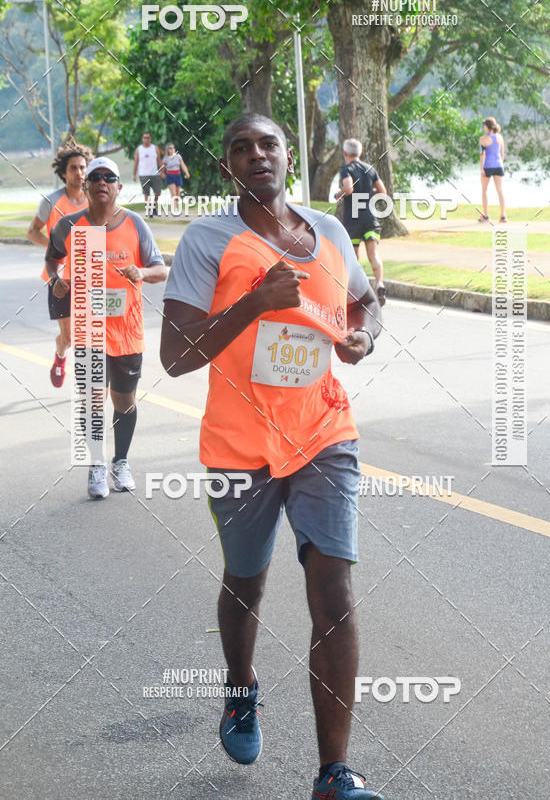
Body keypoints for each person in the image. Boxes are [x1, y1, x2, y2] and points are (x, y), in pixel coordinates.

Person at [161, 113, 385, 800]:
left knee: (336, 598)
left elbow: (366, 301)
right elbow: (175, 356)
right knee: (246, 582)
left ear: (290, 156)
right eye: (240, 147)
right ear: (227, 165)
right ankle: (240, 687)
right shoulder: (209, 240)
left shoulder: (331, 231)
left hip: (323, 434)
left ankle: (333, 773)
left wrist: (362, 336)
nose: (256, 154)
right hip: (239, 447)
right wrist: (256, 302)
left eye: (268, 144)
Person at [45, 156, 167, 499]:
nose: (101, 181)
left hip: (127, 332)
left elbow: (161, 269)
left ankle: (121, 461)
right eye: (94, 176)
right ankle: (97, 466)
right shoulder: (70, 226)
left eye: (108, 177)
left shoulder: (135, 224)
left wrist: (142, 273)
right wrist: (56, 279)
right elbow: (53, 257)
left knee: (124, 401)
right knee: (93, 401)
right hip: (88, 329)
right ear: (85, 185)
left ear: (118, 187)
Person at [27, 137, 94, 387]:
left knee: (91, 333)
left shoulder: (94, 200)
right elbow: (32, 231)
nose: (79, 172)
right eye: (73, 168)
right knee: (69, 337)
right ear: (64, 173)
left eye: (83, 167)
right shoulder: (51, 201)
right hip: (59, 279)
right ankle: (60, 356)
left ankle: (88, 381)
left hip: (89, 276)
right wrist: (56, 249)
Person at [335, 139, 387, 307]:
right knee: (373, 254)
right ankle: (380, 284)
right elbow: (383, 192)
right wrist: (367, 192)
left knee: (354, 257)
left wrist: (339, 193)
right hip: (370, 218)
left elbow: (348, 188)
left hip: (353, 221)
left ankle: (357, 291)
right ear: (360, 153)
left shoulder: (346, 169)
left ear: (345, 153)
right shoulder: (370, 169)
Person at [478, 116, 507, 222]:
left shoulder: (483, 139)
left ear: (487, 126)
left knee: (484, 191)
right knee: (500, 190)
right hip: (499, 166)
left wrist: (481, 169)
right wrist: (500, 163)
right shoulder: (500, 137)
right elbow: (502, 154)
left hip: (487, 167)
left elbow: (482, 154)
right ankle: (503, 215)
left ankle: (486, 216)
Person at [133, 132, 163, 218]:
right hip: (143, 174)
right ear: (142, 139)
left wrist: (162, 171)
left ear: (150, 139)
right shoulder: (139, 149)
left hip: (155, 174)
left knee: (157, 192)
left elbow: (159, 160)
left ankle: (153, 206)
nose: (146, 139)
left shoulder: (155, 148)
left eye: (148, 138)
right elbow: (136, 162)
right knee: (147, 194)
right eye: (145, 138)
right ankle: (149, 211)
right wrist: (134, 174)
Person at [163, 142, 190, 213]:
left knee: (178, 194)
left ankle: (176, 207)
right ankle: (174, 209)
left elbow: (183, 165)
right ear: (167, 150)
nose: (172, 149)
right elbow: (162, 168)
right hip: (170, 176)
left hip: (178, 175)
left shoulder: (178, 156)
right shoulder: (166, 158)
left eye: (173, 148)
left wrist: (186, 172)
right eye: (170, 148)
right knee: (173, 193)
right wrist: (162, 174)